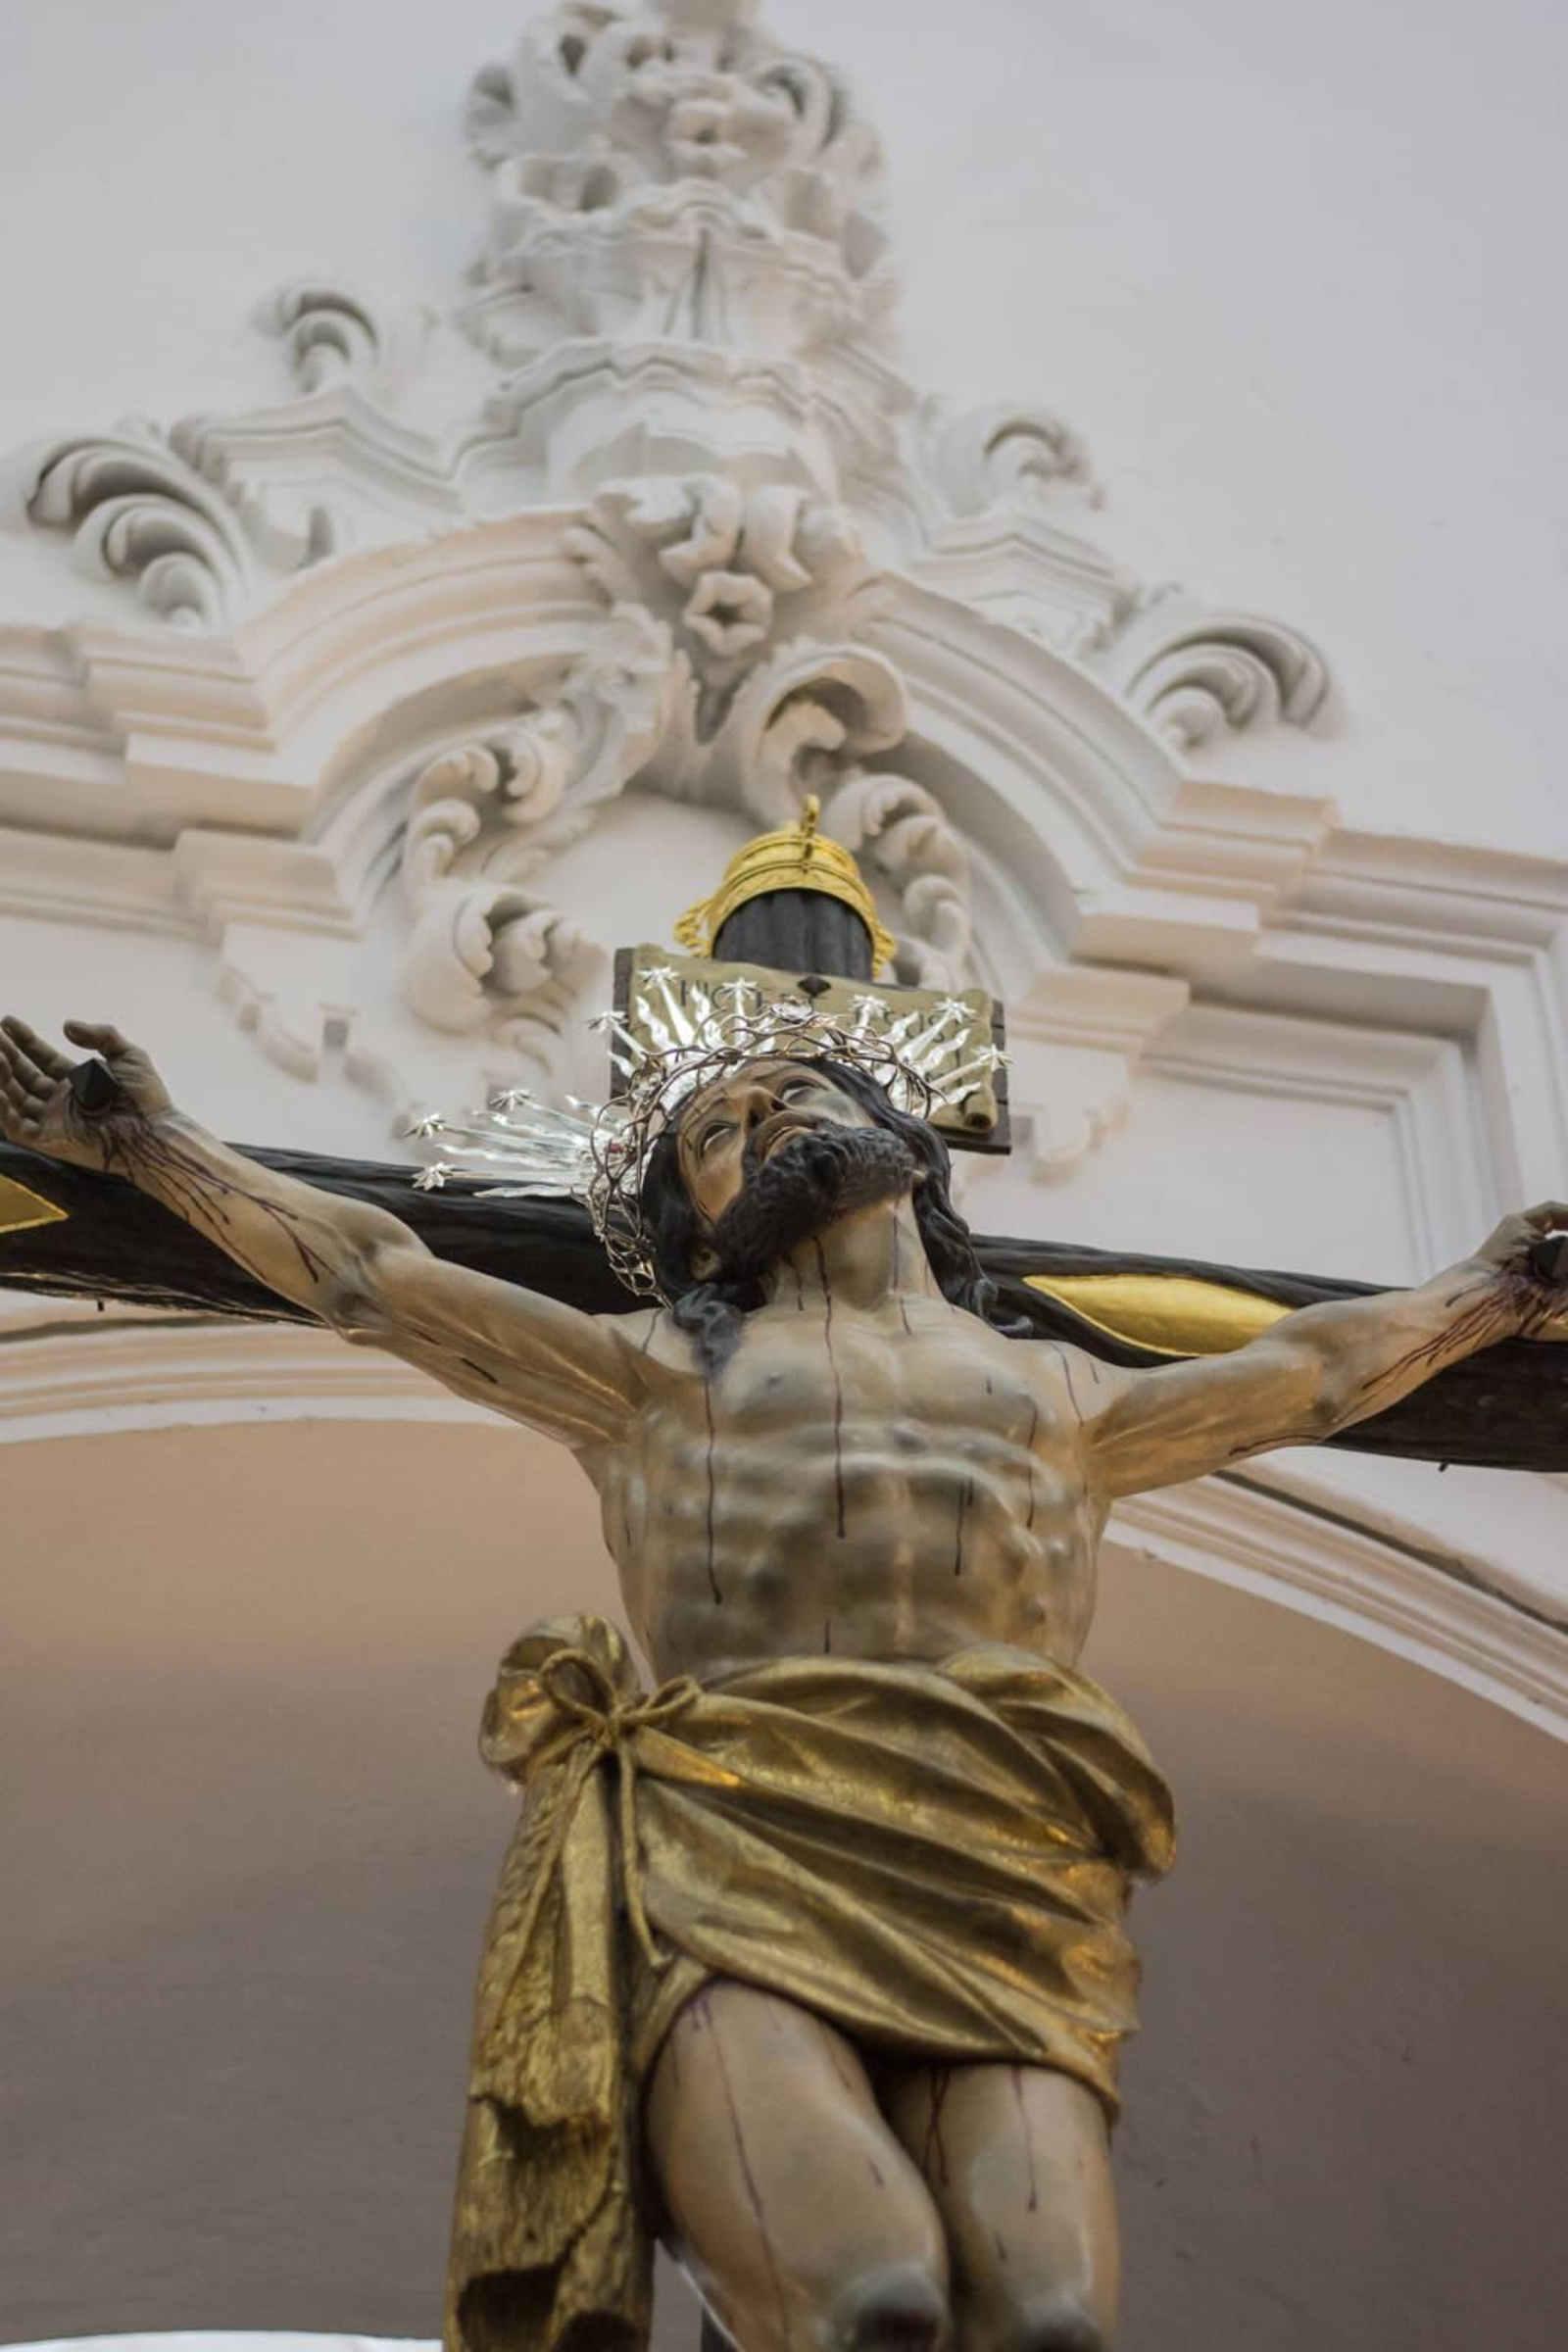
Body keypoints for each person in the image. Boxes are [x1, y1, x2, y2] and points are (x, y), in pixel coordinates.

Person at [2, 1009, 1562, 2352]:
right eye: (720, 1130)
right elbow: (369, 1273)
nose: (767, 1116)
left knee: (1048, 2321)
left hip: (1006, 1856)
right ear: (702, 1223)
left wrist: (1495, 1295)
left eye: (797, 1091)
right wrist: (152, 1150)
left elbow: (1316, 1375)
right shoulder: (648, 1375)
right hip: (735, 1834)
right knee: (870, 2298)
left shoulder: (1063, 1390)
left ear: (910, 1150)